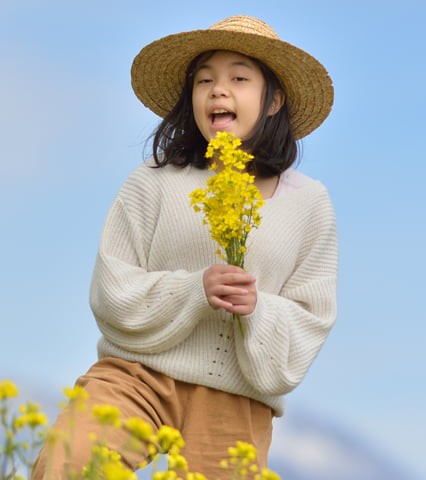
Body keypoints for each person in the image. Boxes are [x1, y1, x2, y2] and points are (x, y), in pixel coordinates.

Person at [32, 15, 338, 480]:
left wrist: (257, 308)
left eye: (239, 77)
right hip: (136, 377)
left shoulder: (310, 203)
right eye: (204, 80)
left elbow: (311, 318)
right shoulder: (152, 183)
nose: (218, 90)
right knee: (70, 463)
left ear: (273, 100)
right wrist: (195, 289)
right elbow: (111, 290)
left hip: (239, 400)